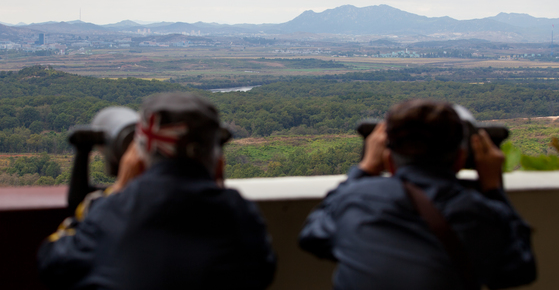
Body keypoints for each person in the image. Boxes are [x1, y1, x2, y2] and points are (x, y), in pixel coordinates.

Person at [38, 92, 276, 290]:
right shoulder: (240, 214)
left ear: (137, 157)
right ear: (216, 159)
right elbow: (263, 272)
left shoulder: (109, 214)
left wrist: (118, 191)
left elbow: (51, 263)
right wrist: (216, 186)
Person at [299, 99, 536, 290]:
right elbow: (519, 271)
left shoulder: (355, 200)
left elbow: (313, 237)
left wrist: (364, 170)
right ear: (460, 159)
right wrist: (493, 188)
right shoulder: (480, 214)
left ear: (388, 160)